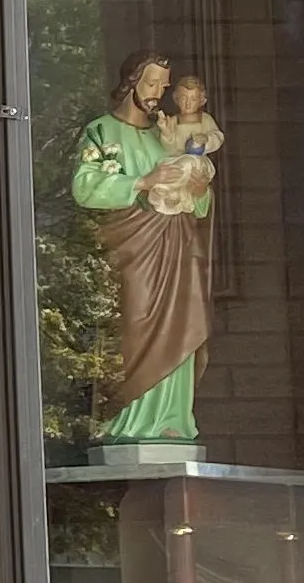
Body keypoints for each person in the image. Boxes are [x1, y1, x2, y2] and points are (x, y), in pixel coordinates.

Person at [72, 50, 215, 445]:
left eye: (163, 87)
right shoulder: (101, 131)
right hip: (132, 252)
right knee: (135, 324)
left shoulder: (167, 136)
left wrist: (200, 190)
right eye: (151, 84)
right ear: (131, 82)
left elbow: (197, 204)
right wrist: (140, 183)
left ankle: (172, 419)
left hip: (177, 249)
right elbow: (84, 187)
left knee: (182, 322)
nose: (157, 94)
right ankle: (127, 421)